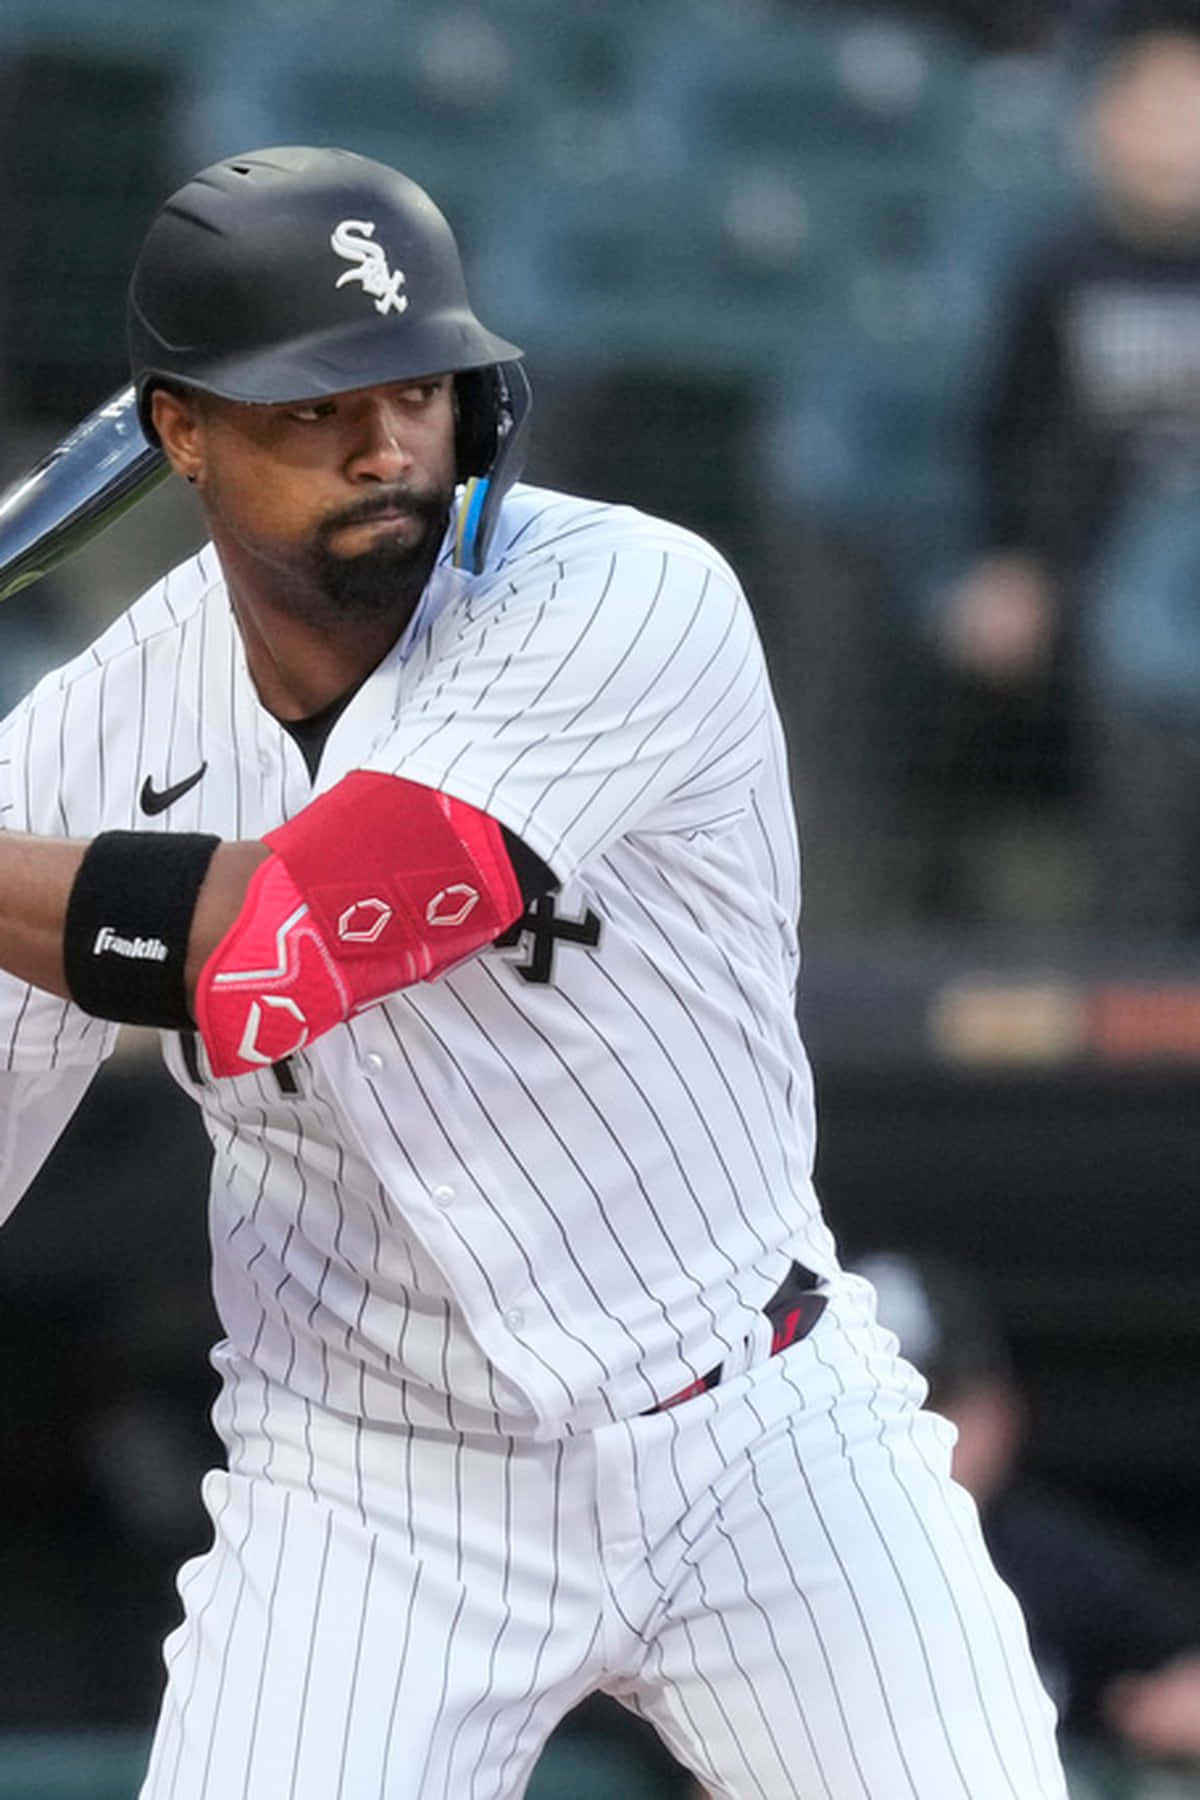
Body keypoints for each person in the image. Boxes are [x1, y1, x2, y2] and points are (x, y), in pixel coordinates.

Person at [0, 144, 1069, 1799]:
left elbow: (298, 940)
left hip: (761, 1436)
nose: (384, 443)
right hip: (368, 1489)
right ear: (180, 436)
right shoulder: (94, 735)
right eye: (313, 404)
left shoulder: (623, 598)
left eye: (416, 387)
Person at [928, 4, 1200, 931]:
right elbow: (1005, 433)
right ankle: (1113, 957)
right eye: (1153, 109)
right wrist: (1010, 562)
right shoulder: (1056, 268)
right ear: (1101, 124)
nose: (1174, 136)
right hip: (1086, 568)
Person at [858, 1249, 1200, 1789]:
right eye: (882, 1410)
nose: (916, 1434)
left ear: (1000, 1410)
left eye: (938, 1402)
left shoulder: (1055, 1558)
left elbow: (1178, 1673)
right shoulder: (766, 1564)